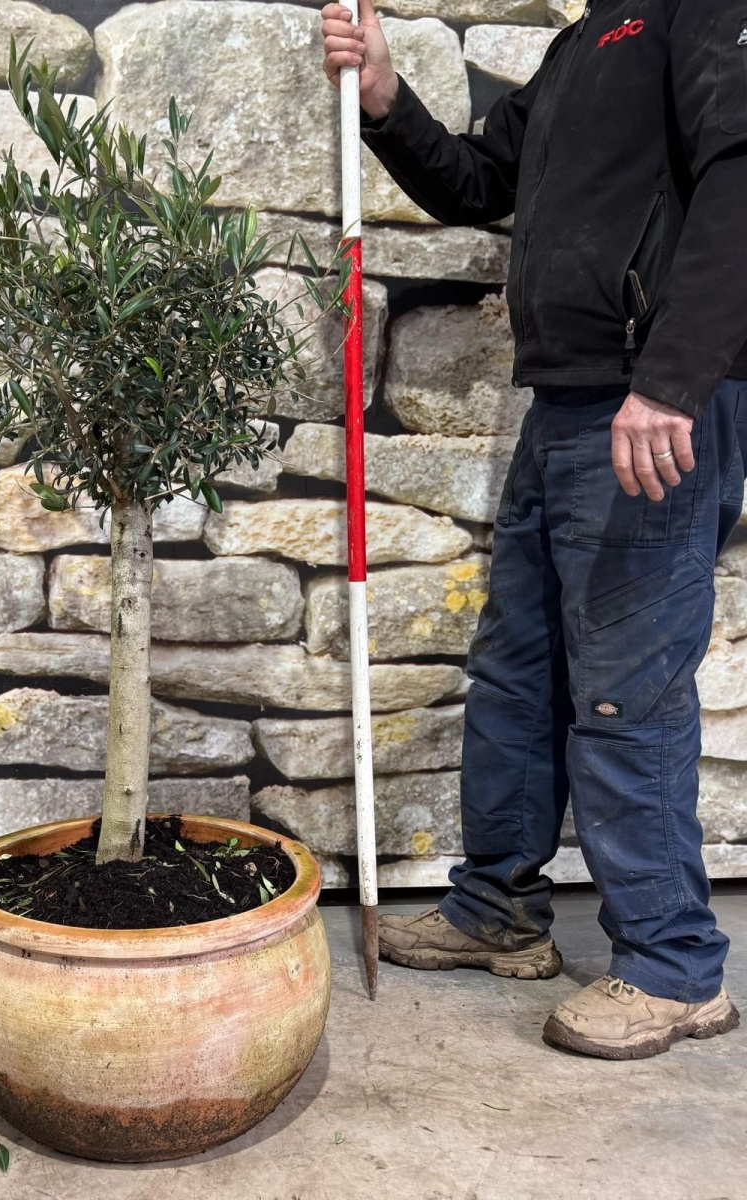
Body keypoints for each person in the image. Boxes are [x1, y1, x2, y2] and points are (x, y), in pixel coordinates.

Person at [322, 0, 744, 1059]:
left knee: (623, 694)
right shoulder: (581, 45)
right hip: (565, 404)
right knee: (517, 674)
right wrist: (380, 92)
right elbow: (473, 183)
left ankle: (672, 966)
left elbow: (745, 177)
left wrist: (676, 380)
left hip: (649, 407)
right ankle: (499, 913)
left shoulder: (703, 10)